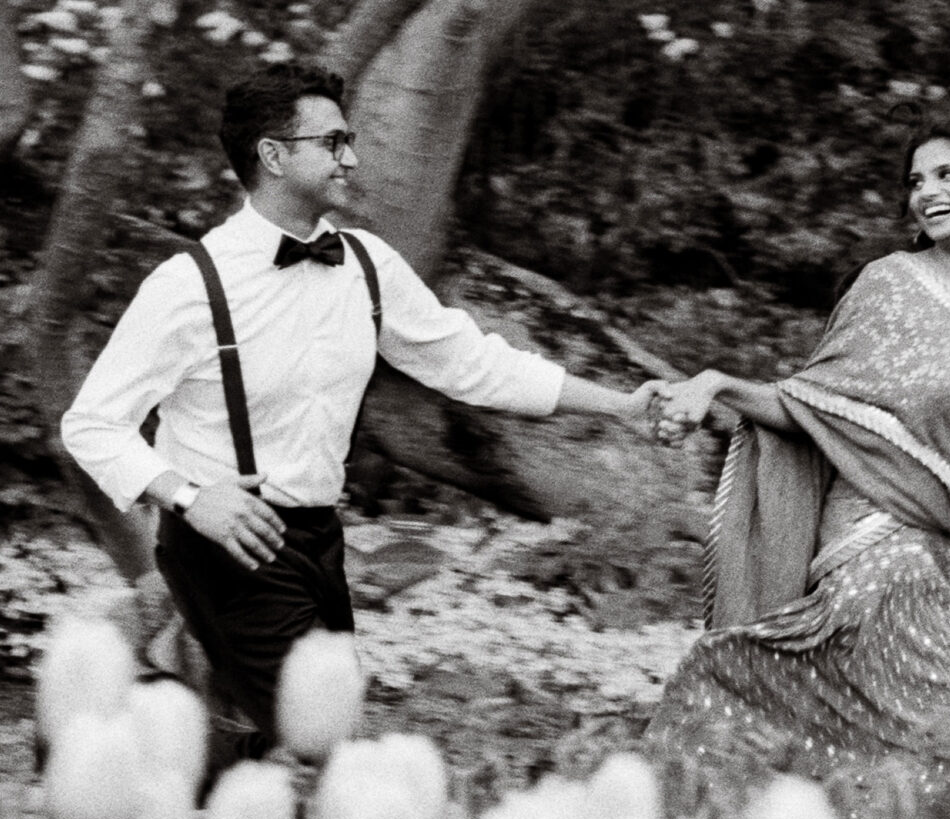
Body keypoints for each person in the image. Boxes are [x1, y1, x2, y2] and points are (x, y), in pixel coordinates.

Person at [62, 64, 657, 776]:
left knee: (287, 743)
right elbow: (92, 422)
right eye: (333, 141)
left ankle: (156, 721)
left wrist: (621, 404)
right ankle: (156, 742)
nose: (352, 157)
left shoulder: (367, 265)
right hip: (229, 542)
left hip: (318, 542)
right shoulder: (190, 285)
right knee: (317, 750)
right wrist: (190, 496)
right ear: (274, 155)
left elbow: (474, 363)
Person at [643, 122, 950, 819]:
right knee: (909, 591)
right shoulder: (888, 282)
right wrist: (716, 385)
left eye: (946, 175)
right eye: (916, 180)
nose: (926, 192)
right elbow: (811, 406)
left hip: (943, 525)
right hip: (869, 526)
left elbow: (949, 443)